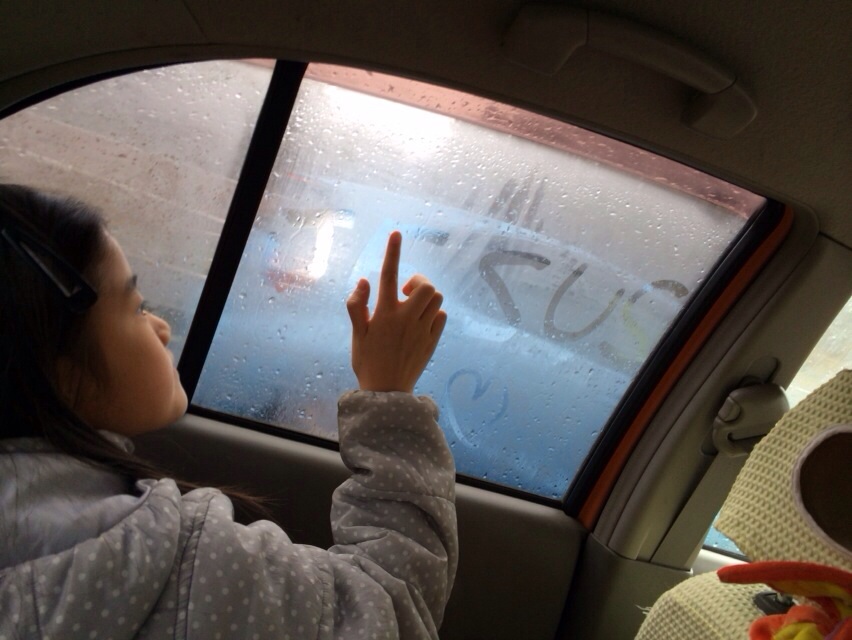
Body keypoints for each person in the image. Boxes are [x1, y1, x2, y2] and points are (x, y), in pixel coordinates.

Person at [0, 183, 457, 639]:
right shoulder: (175, 566)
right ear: (65, 376)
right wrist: (389, 393)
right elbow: (389, 608)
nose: (161, 327)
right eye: (137, 308)